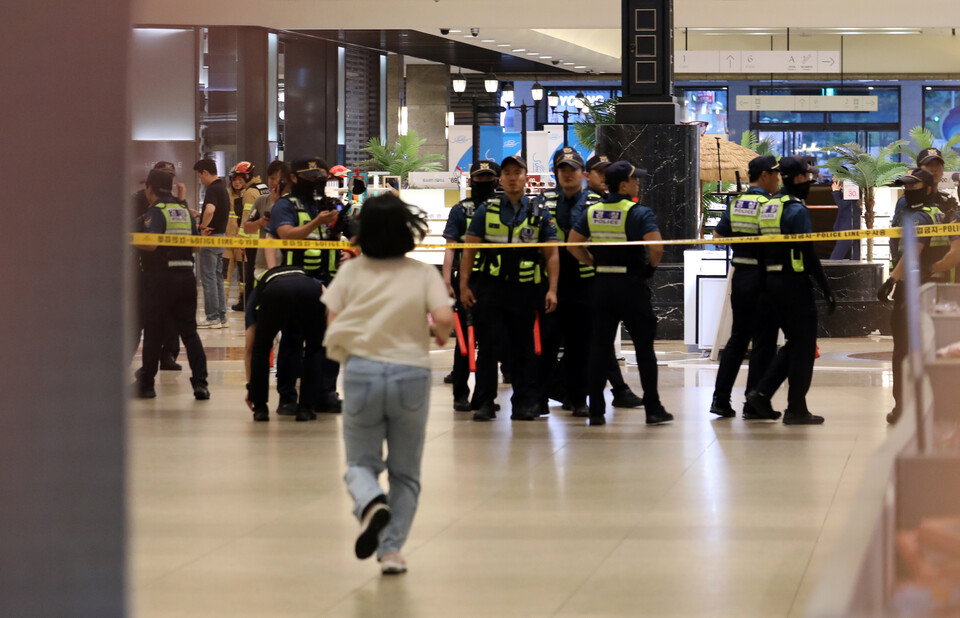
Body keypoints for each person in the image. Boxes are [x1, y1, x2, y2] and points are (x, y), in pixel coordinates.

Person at [323, 193, 454, 575]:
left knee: (360, 464)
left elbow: (332, 322)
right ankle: (391, 551)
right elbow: (444, 316)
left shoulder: (351, 272)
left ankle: (370, 503)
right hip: (410, 374)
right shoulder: (421, 273)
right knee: (406, 472)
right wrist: (440, 334)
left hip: (362, 372)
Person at [567, 161, 673, 426]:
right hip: (632, 286)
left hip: (602, 286)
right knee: (644, 348)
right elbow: (657, 249)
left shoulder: (591, 212)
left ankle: (596, 411)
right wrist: (649, 268)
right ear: (623, 185)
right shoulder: (639, 212)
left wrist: (594, 263)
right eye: (634, 180)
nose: (638, 183)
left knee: (599, 348)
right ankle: (653, 408)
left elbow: (573, 245)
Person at [459, 155, 560, 422]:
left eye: (518, 172)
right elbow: (469, 250)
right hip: (492, 288)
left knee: (524, 348)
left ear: (526, 177)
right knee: (489, 348)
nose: (513, 177)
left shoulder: (539, 210)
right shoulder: (486, 210)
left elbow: (551, 254)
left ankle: (524, 404)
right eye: (508, 173)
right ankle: (483, 402)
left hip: (527, 289)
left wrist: (552, 289)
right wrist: (464, 285)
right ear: (501, 179)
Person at [546, 149, 644, 415]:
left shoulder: (598, 204)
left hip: (589, 282)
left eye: (606, 172)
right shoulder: (545, 202)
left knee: (587, 341)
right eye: (600, 172)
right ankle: (552, 390)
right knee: (556, 341)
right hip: (551, 282)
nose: (604, 177)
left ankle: (579, 395)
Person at [745, 156, 836, 425]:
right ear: (797, 179)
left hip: (769, 285)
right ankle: (795, 408)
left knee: (793, 345)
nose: (811, 182)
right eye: (808, 177)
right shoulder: (797, 210)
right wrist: (826, 288)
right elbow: (808, 253)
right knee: (804, 347)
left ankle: (761, 394)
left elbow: (758, 247)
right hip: (795, 286)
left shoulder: (769, 207)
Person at [877, 168, 960, 424]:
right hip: (933, 289)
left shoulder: (921, 217)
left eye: (913, 187)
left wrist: (892, 279)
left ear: (927, 188)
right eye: (906, 187)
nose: (908, 191)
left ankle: (903, 406)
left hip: (915, 288)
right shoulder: (931, 212)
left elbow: (912, 252)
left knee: (903, 349)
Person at [265, 158, 344, 414]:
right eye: (311, 177)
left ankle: (325, 393)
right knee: (293, 340)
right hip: (296, 282)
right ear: (295, 178)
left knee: (326, 342)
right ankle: (287, 397)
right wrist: (316, 223)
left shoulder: (327, 205)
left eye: (320, 177)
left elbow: (344, 235)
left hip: (328, 282)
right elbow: (286, 234)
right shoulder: (285, 205)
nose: (317, 183)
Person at [709, 155, 783, 420]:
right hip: (764, 279)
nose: (778, 178)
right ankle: (754, 403)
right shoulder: (771, 204)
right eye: (775, 174)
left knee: (737, 340)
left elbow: (718, 237)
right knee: (764, 342)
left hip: (740, 276)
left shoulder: (737, 203)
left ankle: (720, 399)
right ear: (764, 175)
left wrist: (742, 243)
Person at [133, 168, 209, 400]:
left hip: (160, 279)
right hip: (186, 277)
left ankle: (146, 385)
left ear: (150, 188)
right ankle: (201, 384)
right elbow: (196, 247)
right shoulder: (184, 210)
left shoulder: (155, 211)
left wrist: (131, 240)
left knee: (154, 332)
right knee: (189, 332)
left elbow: (152, 244)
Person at [441, 159, 500, 412]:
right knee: (464, 340)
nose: (484, 182)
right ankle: (460, 395)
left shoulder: (503, 207)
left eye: (489, 177)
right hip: (466, 281)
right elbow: (450, 247)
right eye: (480, 178)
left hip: (494, 281)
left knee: (490, 340)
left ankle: (484, 397)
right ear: (471, 180)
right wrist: (446, 280)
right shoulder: (460, 210)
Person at [245, 264, 325, 422]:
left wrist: (252, 389)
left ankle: (260, 409)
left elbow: (250, 348)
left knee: (261, 347)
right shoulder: (308, 277)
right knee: (314, 350)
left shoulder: (258, 290)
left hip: (275, 293)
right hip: (311, 291)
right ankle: (306, 408)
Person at [132, 161, 184, 372]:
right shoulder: (139, 198)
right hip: (144, 265)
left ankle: (168, 355)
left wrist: (181, 201)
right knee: (141, 318)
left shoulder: (174, 201)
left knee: (172, 318)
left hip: (172, 265)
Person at [193, 158, 231, 328]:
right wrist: (199, 215)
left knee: (208, 278)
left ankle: (212, 317)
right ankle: (221, 316)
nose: (200, 180)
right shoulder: (223, 188)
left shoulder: (212, 190)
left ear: (205, 173)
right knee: (217, 278)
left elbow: (210, 210)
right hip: (221, 236)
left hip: (210, 237)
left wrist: (202, 227)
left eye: (199, 176)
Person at [230, 161, 269, 311]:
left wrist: (242, 240)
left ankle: (248, 302)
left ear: (247, 176)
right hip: (263, 238)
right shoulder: (262, 187)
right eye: (235, 178)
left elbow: (247, 217)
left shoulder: (250, 192)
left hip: (253, 239)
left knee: (251, 273)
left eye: (240, 178)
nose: (237, 181)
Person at [829, 177, 862, 260]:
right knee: (855, 258)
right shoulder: (847, 189)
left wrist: (835, 192)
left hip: (848, 230)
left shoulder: (851, 187)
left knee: (834, 259)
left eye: (835, 176)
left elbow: (842, 205)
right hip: (850, 228)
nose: (833, 179)